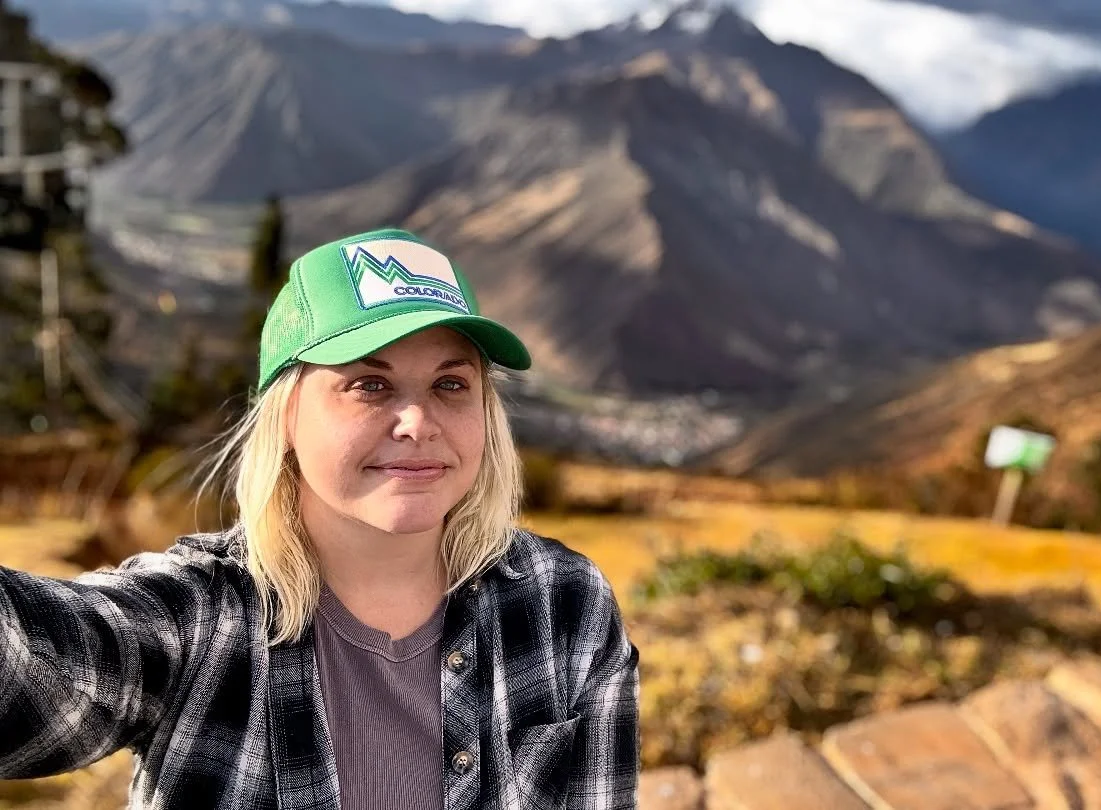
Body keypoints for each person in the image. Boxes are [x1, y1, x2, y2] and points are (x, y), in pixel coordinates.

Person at [0, 227, 640, 809]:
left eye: (451, 383)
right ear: (285, 415)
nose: (418, 423)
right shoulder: (201, 615)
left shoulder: (564, 607)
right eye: (370, 384)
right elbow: (34, 669)